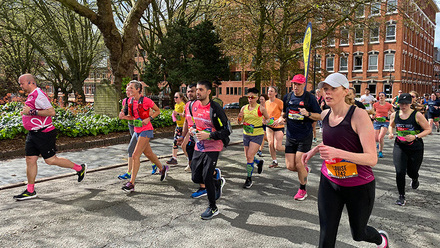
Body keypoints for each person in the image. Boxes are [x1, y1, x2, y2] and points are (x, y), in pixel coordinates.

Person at [302, 72, 389, 248]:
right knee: (326, 236)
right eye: (325, 89)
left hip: (358, 185)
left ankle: (381, 239)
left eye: (333, 88)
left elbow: (372, 158)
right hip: (330, 181)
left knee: (359, 233)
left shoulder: (359, 115)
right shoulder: (325, 115)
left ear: (346, 91)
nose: (327, 92)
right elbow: (333, 141)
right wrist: (315, 149)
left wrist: (338, 153)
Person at [13, 74, 87, 201]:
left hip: (44, 133)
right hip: (33, 134)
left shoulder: (39, 95)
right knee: (30, 159)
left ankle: (80, 168)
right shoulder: (31, 95)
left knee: (50, 160)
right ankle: (30, 190)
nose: (21, 86)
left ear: (31, 82)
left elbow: (51, 112)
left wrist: (30, 112)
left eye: (22, 83)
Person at [188, 80, 230, 220]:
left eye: (201, 90)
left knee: (206, 177)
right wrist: (193, 129)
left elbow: (226, 131)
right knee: (195, 177)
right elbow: (195, 122)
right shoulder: (193, 106)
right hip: (199, 145)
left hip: (214, 145)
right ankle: (216, 182)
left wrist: (210, 135)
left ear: (208, 92)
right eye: (197, 90)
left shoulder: (215, 108)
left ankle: (213, 207)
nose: (198, 92)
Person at [280, 74, 322, 201]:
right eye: (294, 84)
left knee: (299, 163)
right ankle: (304, 169)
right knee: (290, 166)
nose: (295, 86)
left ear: (304, 85)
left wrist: (308, 113)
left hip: (304, 136)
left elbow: (320, 116)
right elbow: (284, 113)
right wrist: (281, 119)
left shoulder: (310, 98)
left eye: (298, 84)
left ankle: (302, 189)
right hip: (291, 136)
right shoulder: (287, 97)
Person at [121, 81, 169, 192]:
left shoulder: (146, 100)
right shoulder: (131, 101)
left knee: (135, 155)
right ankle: (162, 168)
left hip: (146, 130)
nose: (129, 90)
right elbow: (132, 117)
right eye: (129, 87)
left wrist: (149, 118)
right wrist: (124, 117)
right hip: (137, 130)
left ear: (138, 89)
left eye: (131, 88)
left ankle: (131, 183)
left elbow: (158, 111)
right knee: (148, 153)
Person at [389, 93, 431, 206]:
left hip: (415, 147)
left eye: (406, 104)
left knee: (412, 171)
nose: (403, 106)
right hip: (399, 146)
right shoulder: (395, 114)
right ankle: (401, 196)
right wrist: (390, 133)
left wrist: (415, 136)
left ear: (410, 103)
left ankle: (415, 178)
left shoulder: (417, 115)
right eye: (401, 104)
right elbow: (391, 125)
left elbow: (428, 129)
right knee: (399, 171)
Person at [118, 86, 158, 180]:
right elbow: (126, 113)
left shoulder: (142, 100)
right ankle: (155, 164)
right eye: (127, 89)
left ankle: (129, 173)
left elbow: (151, 112)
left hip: (142, 127)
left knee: (134, 149)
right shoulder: (125, 101)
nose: (128, 91)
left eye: (130, 89)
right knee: (144, 150)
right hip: (132, 126)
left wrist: (144, 118)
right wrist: (123, 115)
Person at [237, 88, 271, 188]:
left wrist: (266, 121)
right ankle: (259, 162)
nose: (250, 99)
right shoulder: (244, 108)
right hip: (246, 134)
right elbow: (239, 122)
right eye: (248, 97)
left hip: (257, 134)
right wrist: (239, 117)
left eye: (252, 97)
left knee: (250, 155)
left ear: (256, 97)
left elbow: (268, 119)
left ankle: (249, 178)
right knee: (248, 156)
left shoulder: (261, 108)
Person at [265, 86, 285, 168]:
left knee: (278, 147)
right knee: (270, 143)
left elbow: (284, 112)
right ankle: (274, 161)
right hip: (269, 126)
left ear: (275, 93)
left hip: (279, 126)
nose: (269, 93)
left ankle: (292, 149)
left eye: (271, 91)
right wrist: (264, 120)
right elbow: (264, 113)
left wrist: (280, 118)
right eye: (269, 91)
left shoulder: (279, 102)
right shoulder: (266, 103)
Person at [166, 92, 188, 165]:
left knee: (184, 144)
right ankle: (174, 158)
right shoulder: (176, 105)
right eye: (174, 97)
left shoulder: (183, 105)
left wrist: (178, 114)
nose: (175, 99)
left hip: (184, 127)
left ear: (181, 98)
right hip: (178, 126)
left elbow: (185, 115)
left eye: (176, 97)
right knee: (175, 142)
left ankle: (190, 158)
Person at [372, 92, 394, 158]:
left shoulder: (388, 105)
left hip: (385, 122)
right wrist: (372, 116)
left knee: (380, 137)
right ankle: (380, 143)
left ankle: (380, 152)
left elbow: (393, 112)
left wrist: (391, 114)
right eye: (380, 96)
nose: (381, 97)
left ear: (385, 97)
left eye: (382, 96)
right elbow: (372, 112)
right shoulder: (375, 104)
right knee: (376, 139)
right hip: (377, 122)